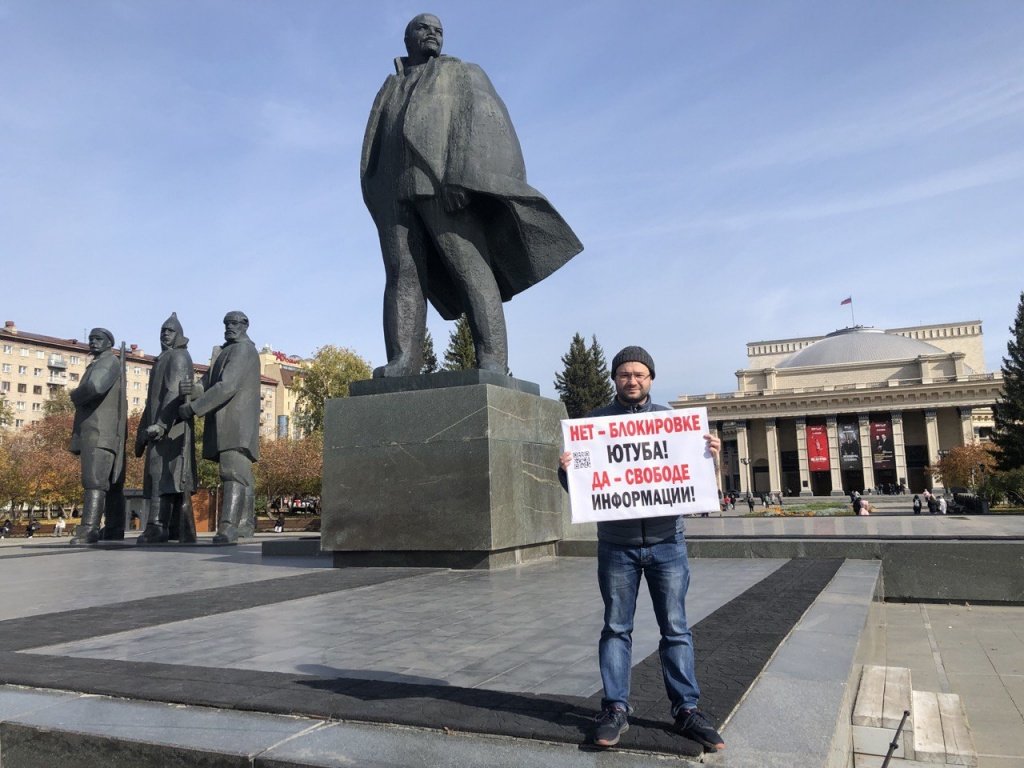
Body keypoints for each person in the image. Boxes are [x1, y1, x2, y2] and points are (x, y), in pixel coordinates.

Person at [361, 13, 582, 377]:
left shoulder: (461, 73)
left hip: (440, 184)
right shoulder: (389, 86)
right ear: (406, 39)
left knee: (470, 268)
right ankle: (404, 360)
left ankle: (492, 358)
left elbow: (481, 119)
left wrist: (463, 177)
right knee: (402, 275)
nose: (433, 33)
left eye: (439, 30)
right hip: (392, 192)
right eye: (424, 28)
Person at [558, 346, 725, 752]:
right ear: (614, 379)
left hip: (668, 543)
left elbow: (696, 482)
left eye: (639, 374)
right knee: (616, 628)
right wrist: (566, 473)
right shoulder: (594, 424)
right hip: (617, 546)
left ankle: (687, 709)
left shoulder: (673, 422)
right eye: (623, 374)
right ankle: (615, 708)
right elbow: (582, 491)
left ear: (651, 378)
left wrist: (712, 460)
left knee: (676, 629)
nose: (631, 380)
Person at [179, 311, 260, 544]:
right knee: (241, 475)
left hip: (236, 424)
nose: (229, 327)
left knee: (232, 473)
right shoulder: (226, 351)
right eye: (226, 323)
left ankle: (228, 527)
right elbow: (206, 384)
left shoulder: (243, 350)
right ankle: (245, 524)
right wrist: (191, 389)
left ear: (245, 325)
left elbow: (227, 386)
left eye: (234, 323)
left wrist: (194, 408)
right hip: (229, 424)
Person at [135, 313, 197, 545]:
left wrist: (160, 424)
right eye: (162, 331)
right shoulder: (163, 358)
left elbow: (173, 391)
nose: (164, 335)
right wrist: (141, 432)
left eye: (169, 331)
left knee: (163, 476)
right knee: (161, 477)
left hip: (172, 429)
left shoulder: (179, 356)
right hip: (160, 427)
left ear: (178, 334)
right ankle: (171, 528)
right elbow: (152, 401)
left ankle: (157, 526)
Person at [68, 328, 125, 545]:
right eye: (91, 339)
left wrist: (74, 395)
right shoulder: (102, 363)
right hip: (104, 432)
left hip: (99, 431)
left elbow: (95, 387)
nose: (93, 342)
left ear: (109, 342)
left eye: (98, 339)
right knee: (110, 483)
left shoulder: (107, 362)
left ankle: (89, 529)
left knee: (94, 481)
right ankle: (113, 528)